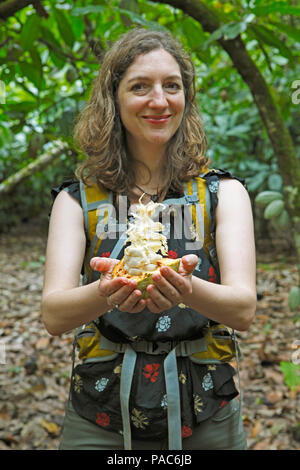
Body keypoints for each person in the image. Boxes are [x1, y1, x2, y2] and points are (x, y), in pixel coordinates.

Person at [41, 28, 256, 451]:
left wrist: (185, 289)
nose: (160, 101)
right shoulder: (77, 201)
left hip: (205, 401)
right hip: (100, 407)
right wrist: (109, 291)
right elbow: (54, 314)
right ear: (113, 98)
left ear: (186, 98)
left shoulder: (222, 194)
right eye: (140, 87)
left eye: (171, 86)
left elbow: (243, 309)